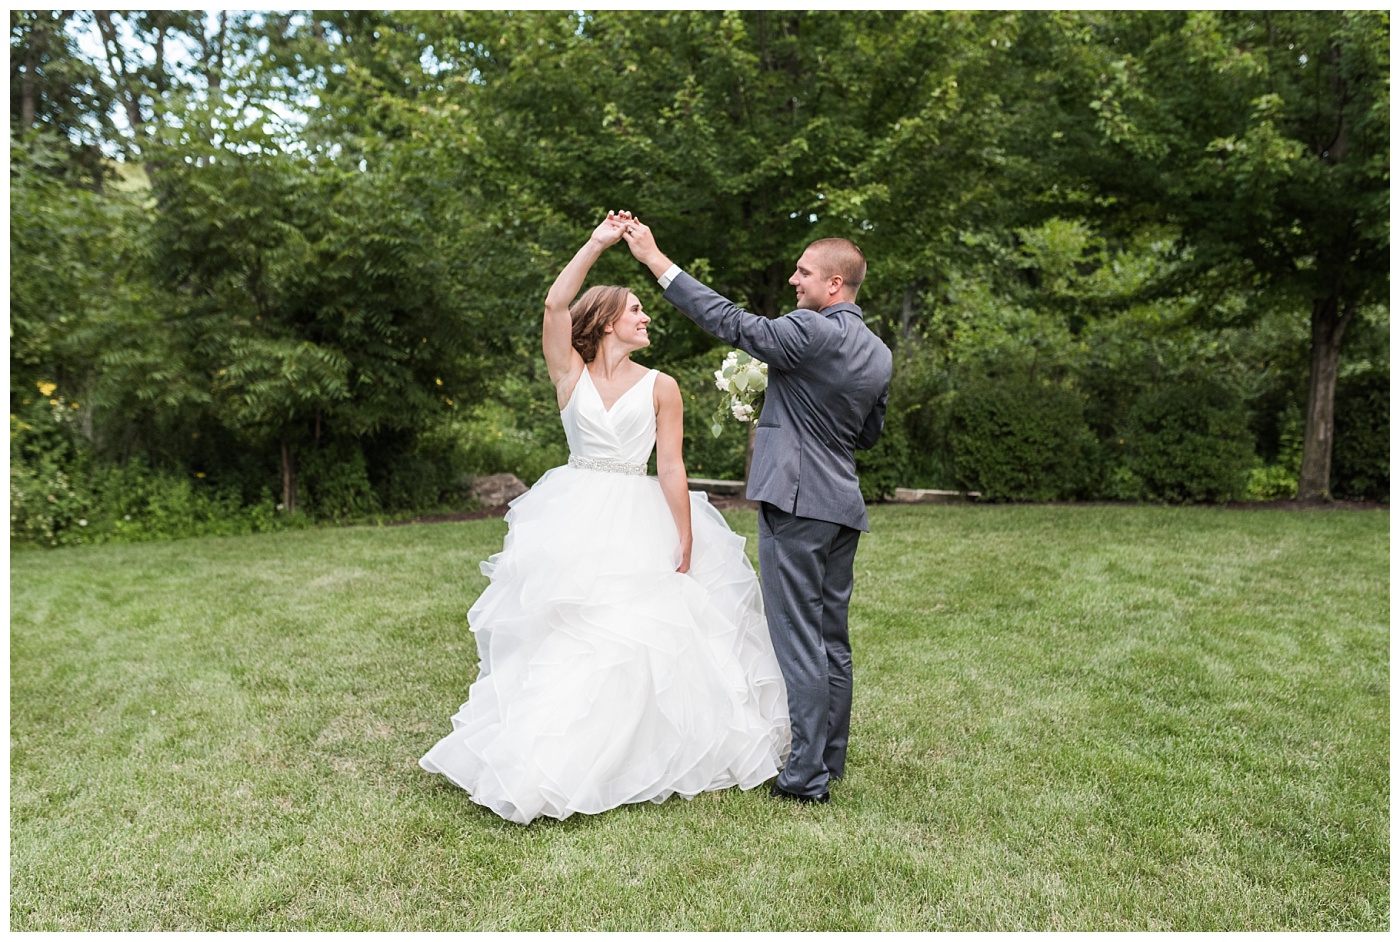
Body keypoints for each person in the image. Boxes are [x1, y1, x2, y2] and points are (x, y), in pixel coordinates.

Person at [419, 212, 790, 825]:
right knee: (571, 633)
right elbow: (555, 303)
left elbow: (670, 468)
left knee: (637, 634)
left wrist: (686, 534)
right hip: (573, 512)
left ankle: (632, 753)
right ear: (606, 319)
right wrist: (596, 243)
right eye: (638, 310)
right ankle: (551, 754)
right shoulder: (569, 373)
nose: (647, 318)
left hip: (639, 513)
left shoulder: (663, 386)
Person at [623, 219, 892, 805]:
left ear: (835, 284)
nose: (794, 281)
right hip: (842, 504)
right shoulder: (878, 352)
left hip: (796, 502)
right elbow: (866, 435)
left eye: (804, 272)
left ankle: (804, 778)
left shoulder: (812, 331)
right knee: (831, 640)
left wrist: (657, 262)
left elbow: (733, 323)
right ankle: (830, 760)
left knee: (796, 639)